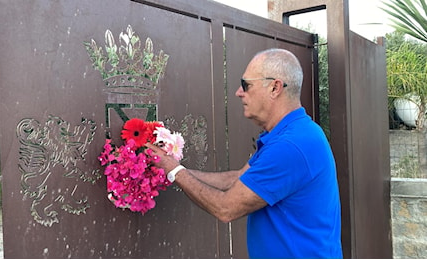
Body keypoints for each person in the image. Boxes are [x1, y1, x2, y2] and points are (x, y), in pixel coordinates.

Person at [146, 48, 342, 258]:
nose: (239, 93)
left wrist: (173, 171)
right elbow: (239, 178)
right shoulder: (291, 133)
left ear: (275, 87)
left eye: (246, 85)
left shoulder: (291, 145)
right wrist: (173, 169)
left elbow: (226, 208)